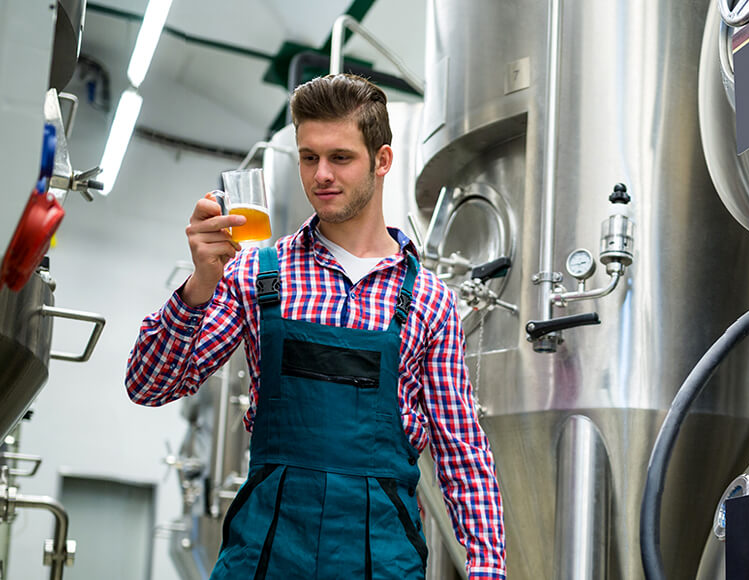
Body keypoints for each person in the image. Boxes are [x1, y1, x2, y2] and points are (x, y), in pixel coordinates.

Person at [126, 73, 506, 580]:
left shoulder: (429, 301)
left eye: (340, 157)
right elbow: (148, 386)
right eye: (308, 157)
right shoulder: (257, 273)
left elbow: (463, 455)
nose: (321, 174)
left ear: (383, 160)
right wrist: (198, 285)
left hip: (380, 558)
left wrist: (486, 571)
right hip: (265, 551)